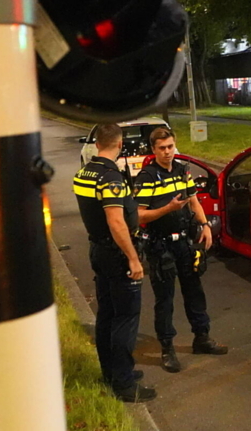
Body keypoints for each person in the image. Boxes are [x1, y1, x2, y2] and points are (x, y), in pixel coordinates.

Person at [73, 123, 156, 402]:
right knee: (125, 319)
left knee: (107, 315)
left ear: (97, 143)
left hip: (98, 250)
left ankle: (112, 373)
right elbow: (116, 221)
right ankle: (124, 385)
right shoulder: (111, 178)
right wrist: (133, 258)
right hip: (117, 255)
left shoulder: (85, 173)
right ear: (120, 145)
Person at [134, 126, 227, 373]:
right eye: (162, 148)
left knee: (195, 292)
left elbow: (194, 200)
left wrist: (205, 224)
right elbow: (139, 214)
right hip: (159, 245)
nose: (167, 152)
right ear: (153, 150)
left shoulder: (181, 171)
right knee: (165, 300)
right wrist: (168, 209)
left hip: (184, 242)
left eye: (170, 147)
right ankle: (167, 348)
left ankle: (202, 338)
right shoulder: (147, 177)